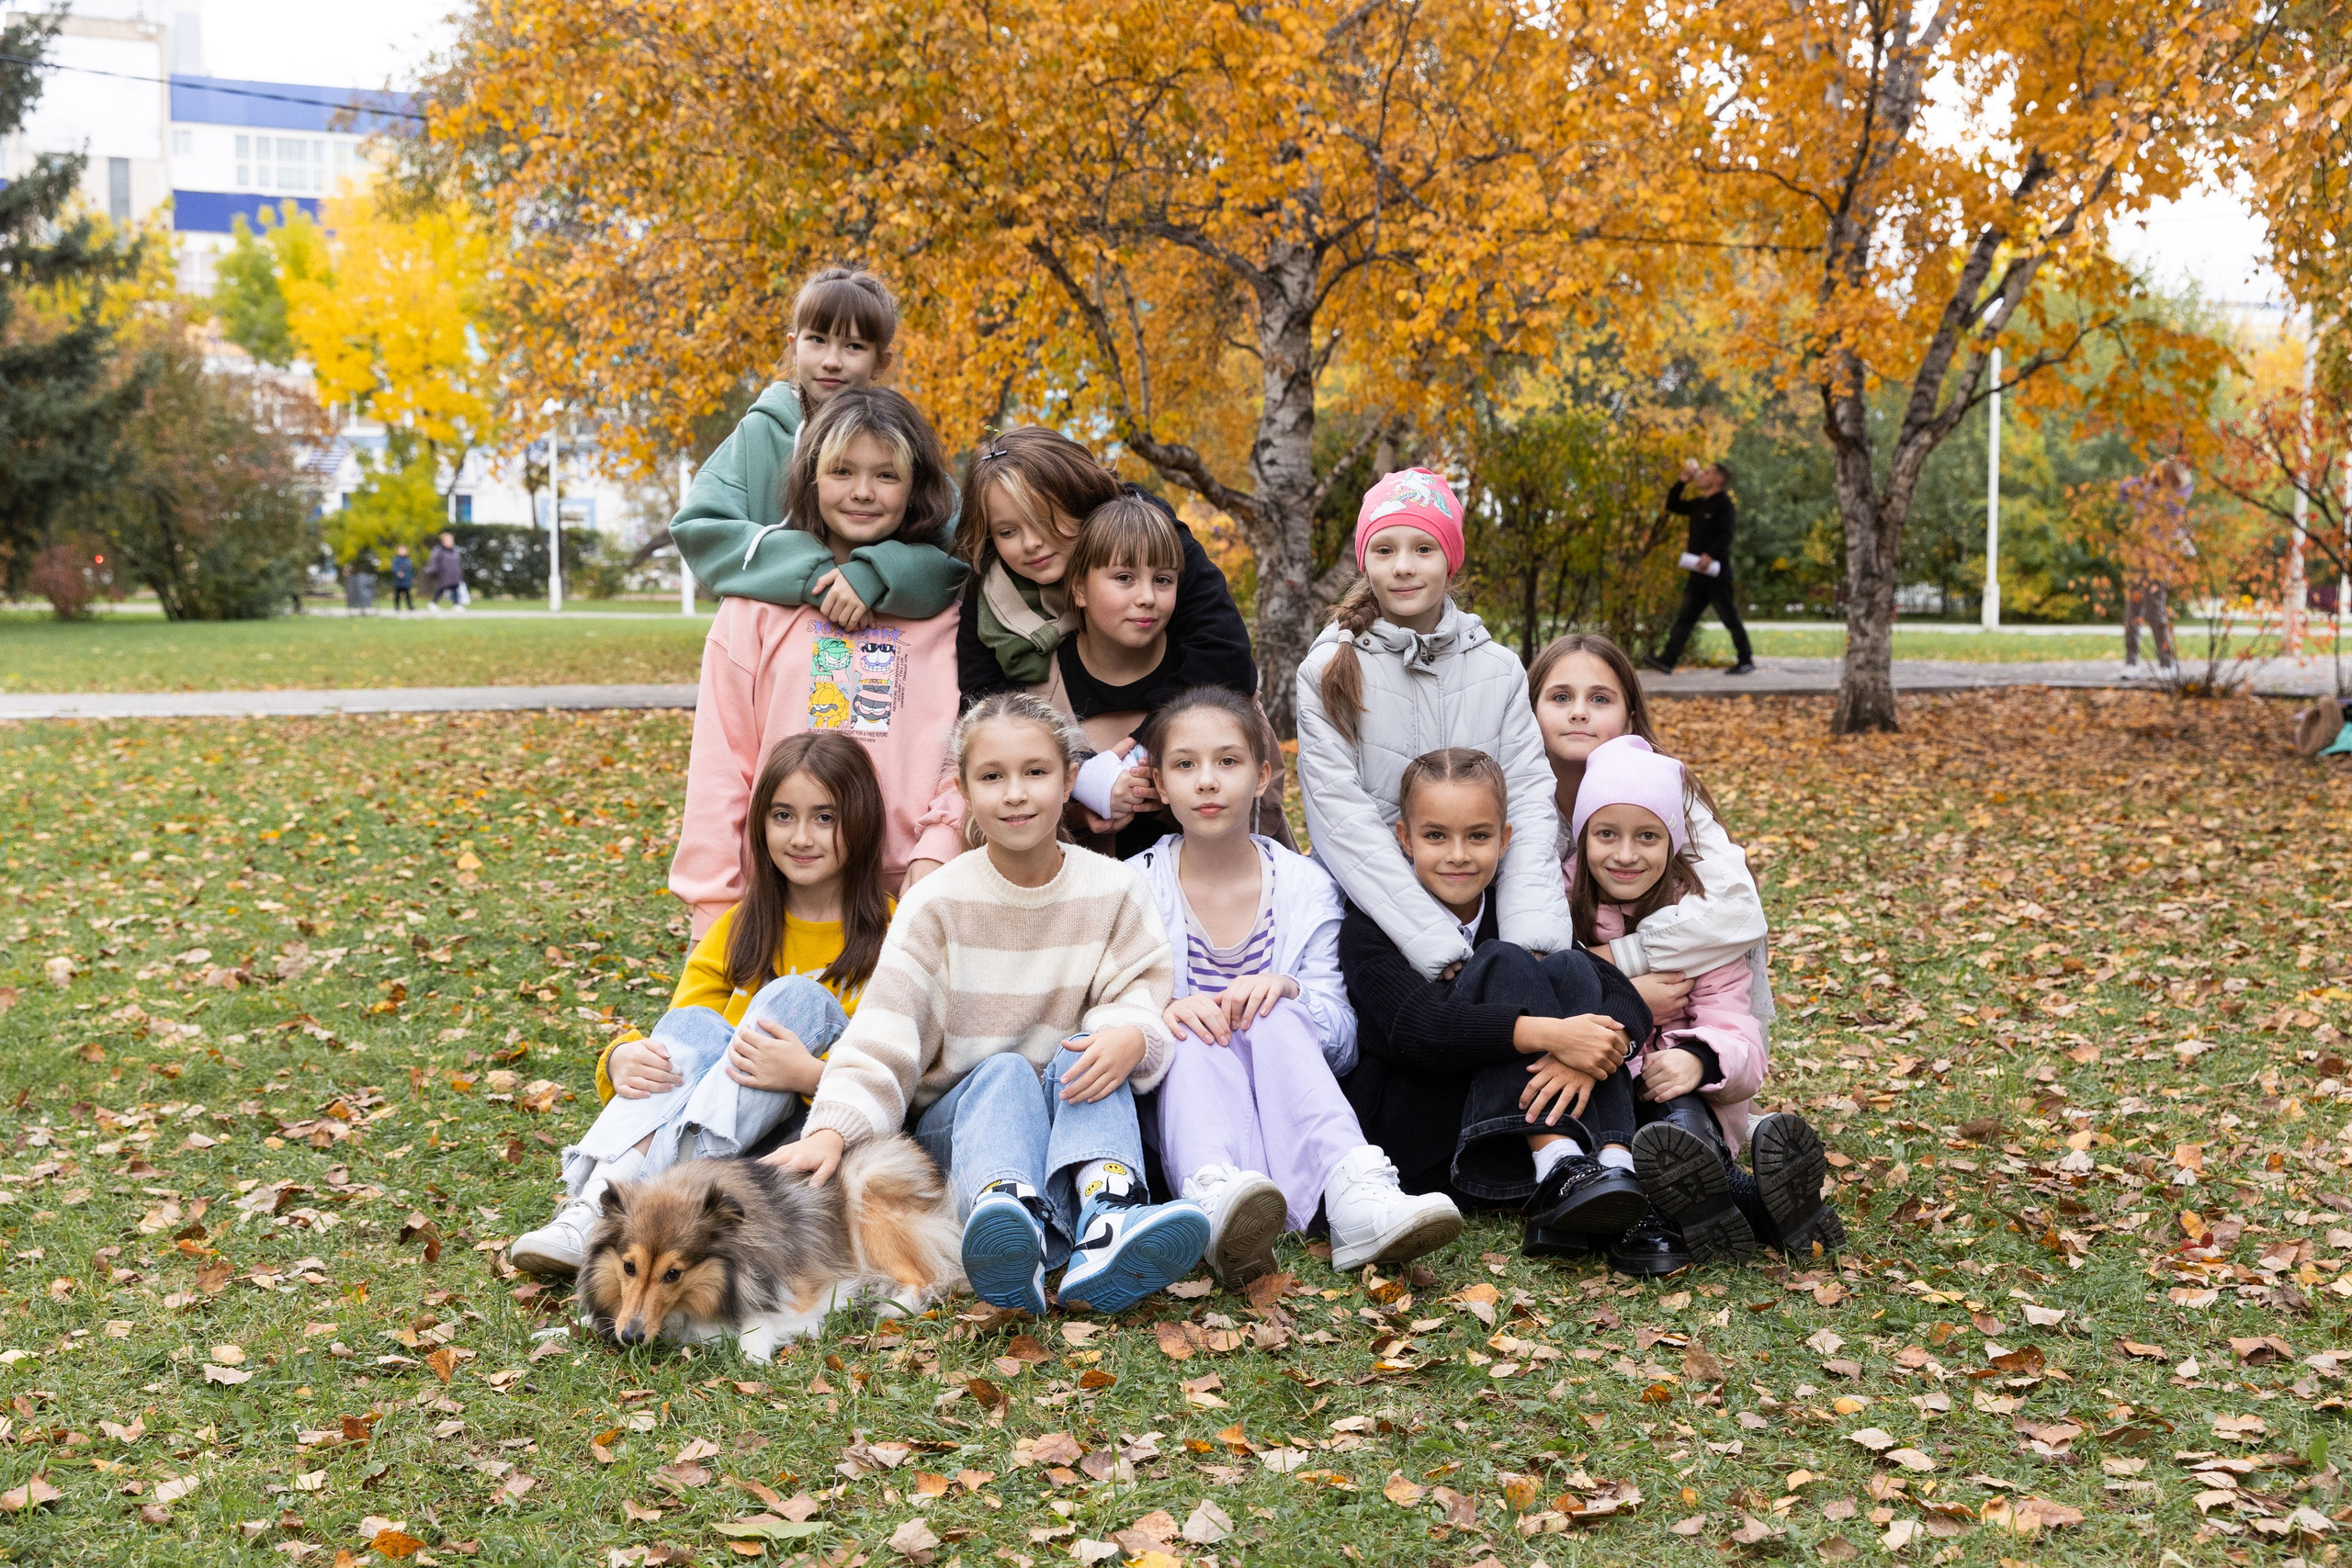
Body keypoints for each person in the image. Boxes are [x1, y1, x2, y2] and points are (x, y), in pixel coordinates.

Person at [770, 693, 1212, 1316]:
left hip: (1070, 1119)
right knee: (1004, 1071)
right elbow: (883, 1037)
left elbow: (1139, 994)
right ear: (965, 789)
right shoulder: (938, 902)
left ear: (1069, 780)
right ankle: (1005, 1226)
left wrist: (1134, 1035)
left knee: (1098, 1044)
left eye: (1035, 772)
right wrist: (832, 1129)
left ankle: (1107, 1221)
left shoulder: (1114, 889)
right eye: (992, 776)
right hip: (962, 1127)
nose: (1015, 794)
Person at [509, 731, 895, 1276]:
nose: (802, 837)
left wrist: (810, 1076)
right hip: (709, 1133)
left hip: (802, 1146)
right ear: (760, 825)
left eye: (825, 817)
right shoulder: (741, 925)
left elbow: (902, 1065)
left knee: (796, 998)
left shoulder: (893, 930)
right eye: (783, 816)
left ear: (861, 821)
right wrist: (620, 1059)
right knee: (694, 1021)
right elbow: (684, 1040)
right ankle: (594, 1207)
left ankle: (649, 1198)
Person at [1126, 686, 1461, 1284]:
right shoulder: (1132, 888)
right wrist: (1167, 1010)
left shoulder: (1306, 888)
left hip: (1290, 1109)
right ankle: (1214, 1197)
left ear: (1261, 775)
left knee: (1274, 1010)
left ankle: (1357, 1195)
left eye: (1228, 761)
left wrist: (1289, 991)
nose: (1207, 780)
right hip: (1191, 1111)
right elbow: (1111, 1015)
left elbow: (1342, 1038)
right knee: (1191, 1021)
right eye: (1185, 764)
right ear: (1158, 780)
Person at [1337, 748, 1659, 1258]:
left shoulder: (1519, 909)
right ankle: (1564, 1164)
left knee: (1570, 967)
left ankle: (1612, 1170)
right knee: (1505, 961)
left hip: (1516, 1128)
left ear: (1505, 839)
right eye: (1436, 835)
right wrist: (1556, 1037)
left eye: (1479, 836)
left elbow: (1620, 992)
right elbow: (1419, 1027)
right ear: (1404, 838)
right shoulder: (1371, 921)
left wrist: (1591, 1053)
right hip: (1427, 1134)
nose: (1458, 855)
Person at [669, 387, 967, 941]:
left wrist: (939, 850)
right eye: (841, 471)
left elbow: (970, 749)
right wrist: (712, 907)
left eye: (886, 475)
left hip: (911, 894)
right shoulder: (750, 612)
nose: (862, 492)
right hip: (781, 899)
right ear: (810, 478)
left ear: (916, 487)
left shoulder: (948, 613)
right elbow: (720, 765)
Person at [1566, 734, 1845, 1269]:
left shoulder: (1696, 926)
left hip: (1681, 1095)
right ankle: (1754, 1204)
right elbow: (1548, 982)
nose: (1626, 854)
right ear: (1581, 840)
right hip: (1600, 1092)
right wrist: (1629, 998)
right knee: (1630, 1101)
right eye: (1606, 834)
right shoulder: (1559, 909)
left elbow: (1739, 1036)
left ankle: (1700, 1186)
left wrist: (1699, 1058)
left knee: (1675, 1110)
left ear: (1672, 843)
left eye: (1648, 836)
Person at [1295, 467, 1574, 980]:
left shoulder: (1499, 670)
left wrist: (1528, 937)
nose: (1403, 567)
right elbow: (1341, 819)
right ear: (1365, 562)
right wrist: (1432, 939)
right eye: (1385, 550)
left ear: (1451, 560)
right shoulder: (1329, 671)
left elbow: (1531, 799)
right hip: (1375, 918)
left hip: (1481, 904)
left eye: (1423, 548)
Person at [669, 266, 968, 627]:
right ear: (793, 347)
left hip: (880, 653)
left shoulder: (897, 439)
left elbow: (960, 551)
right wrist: (817, 577)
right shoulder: (760, 432)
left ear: (881, 362)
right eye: (817, 340)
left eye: (854, 346)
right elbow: (700, 530)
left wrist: (876, 574)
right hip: (770, 647)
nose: (831, 360)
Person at [1525, 633, 1770, 1016]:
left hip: (1687, 1013)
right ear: (1530, 712)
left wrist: (1617, 958)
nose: (1579, 712)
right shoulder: (1511, 798)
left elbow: (1738, 909)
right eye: (1560, 697)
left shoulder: (1662, 788)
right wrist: (1620, 993)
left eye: (1600, 699)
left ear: (1629, 720)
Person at [1646, 460, 1755, 676]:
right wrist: (1681, 482)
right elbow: (1672, 504)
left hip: (1717, 574)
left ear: (1718, 479)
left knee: (1729, 617)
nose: (1702, 475)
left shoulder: (1724, 504)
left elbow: (1727, 534)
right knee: (1685, 618)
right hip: (1697, 574)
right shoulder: (1698, 504)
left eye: (1707, 472)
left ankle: (1746, 660)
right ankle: (1667, 660)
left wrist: (1710, 555)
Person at [2117, 457, 2193, 682]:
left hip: (2158, 562)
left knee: (2155, 612)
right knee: (2132, 611)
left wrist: (2149, 487)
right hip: (2137, 558)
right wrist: (2144, 479)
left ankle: (2166, 663)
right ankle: (2131, 662)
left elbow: (2173, 501)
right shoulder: (2147, 489)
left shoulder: (2177, 496)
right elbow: (2123, 491)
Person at [425, 531, 464, 610]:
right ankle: (433, 603)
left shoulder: (454, 551)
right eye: (448, 540)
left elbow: (457, 563)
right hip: (443, 574)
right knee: (440, 589)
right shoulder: (438, 550)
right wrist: (434, 572)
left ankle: (456, 604)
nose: (451, 542)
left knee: (455, 589)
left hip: (453, 574)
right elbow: (434, 562)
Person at [389, 544, 416, 612]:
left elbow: (410, 570)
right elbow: (394, 568)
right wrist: (398, 572)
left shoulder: (408, 560)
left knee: (408, 594)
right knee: (397, 594)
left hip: (406, 580)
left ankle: (410, 606)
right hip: (399, 580)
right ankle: (397, 606)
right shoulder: (396, 559)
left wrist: (411, 578)